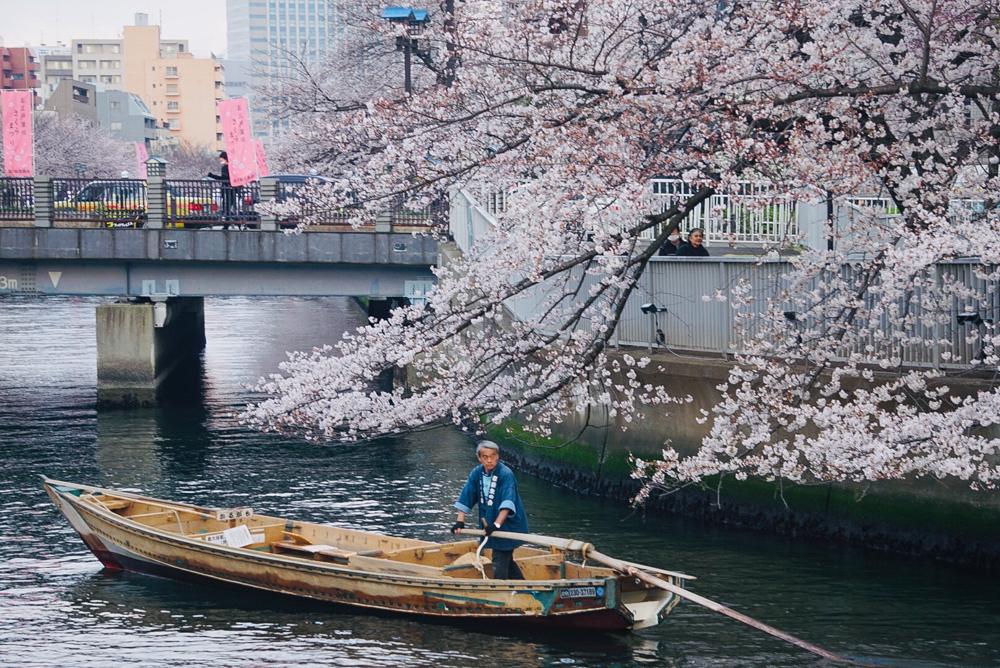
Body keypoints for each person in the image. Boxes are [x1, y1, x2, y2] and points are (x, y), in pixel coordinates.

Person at [450, 440, 529, 579]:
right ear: (479, 458)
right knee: (506, 560)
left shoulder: (506, 474)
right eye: (485, 457)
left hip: (508, 524)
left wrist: (496, 524)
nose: (489, 460)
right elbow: (467, 494)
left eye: (492, 456)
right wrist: (460, 521)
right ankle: (524, 588)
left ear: (497, 456)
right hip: (490, 523)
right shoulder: (476, 473)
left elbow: (508, 501)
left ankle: (502, 591)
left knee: (499, 559)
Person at [207, 151, 235, 225]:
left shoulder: (226, 167)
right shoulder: (232, 167)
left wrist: (212, 176)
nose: (220, 161)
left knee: (227, 207)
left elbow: (224, 178)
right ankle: (228, 221)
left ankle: (230, 221)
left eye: (221, 159)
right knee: (228, 206)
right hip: (231, 188)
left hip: (228, 189)